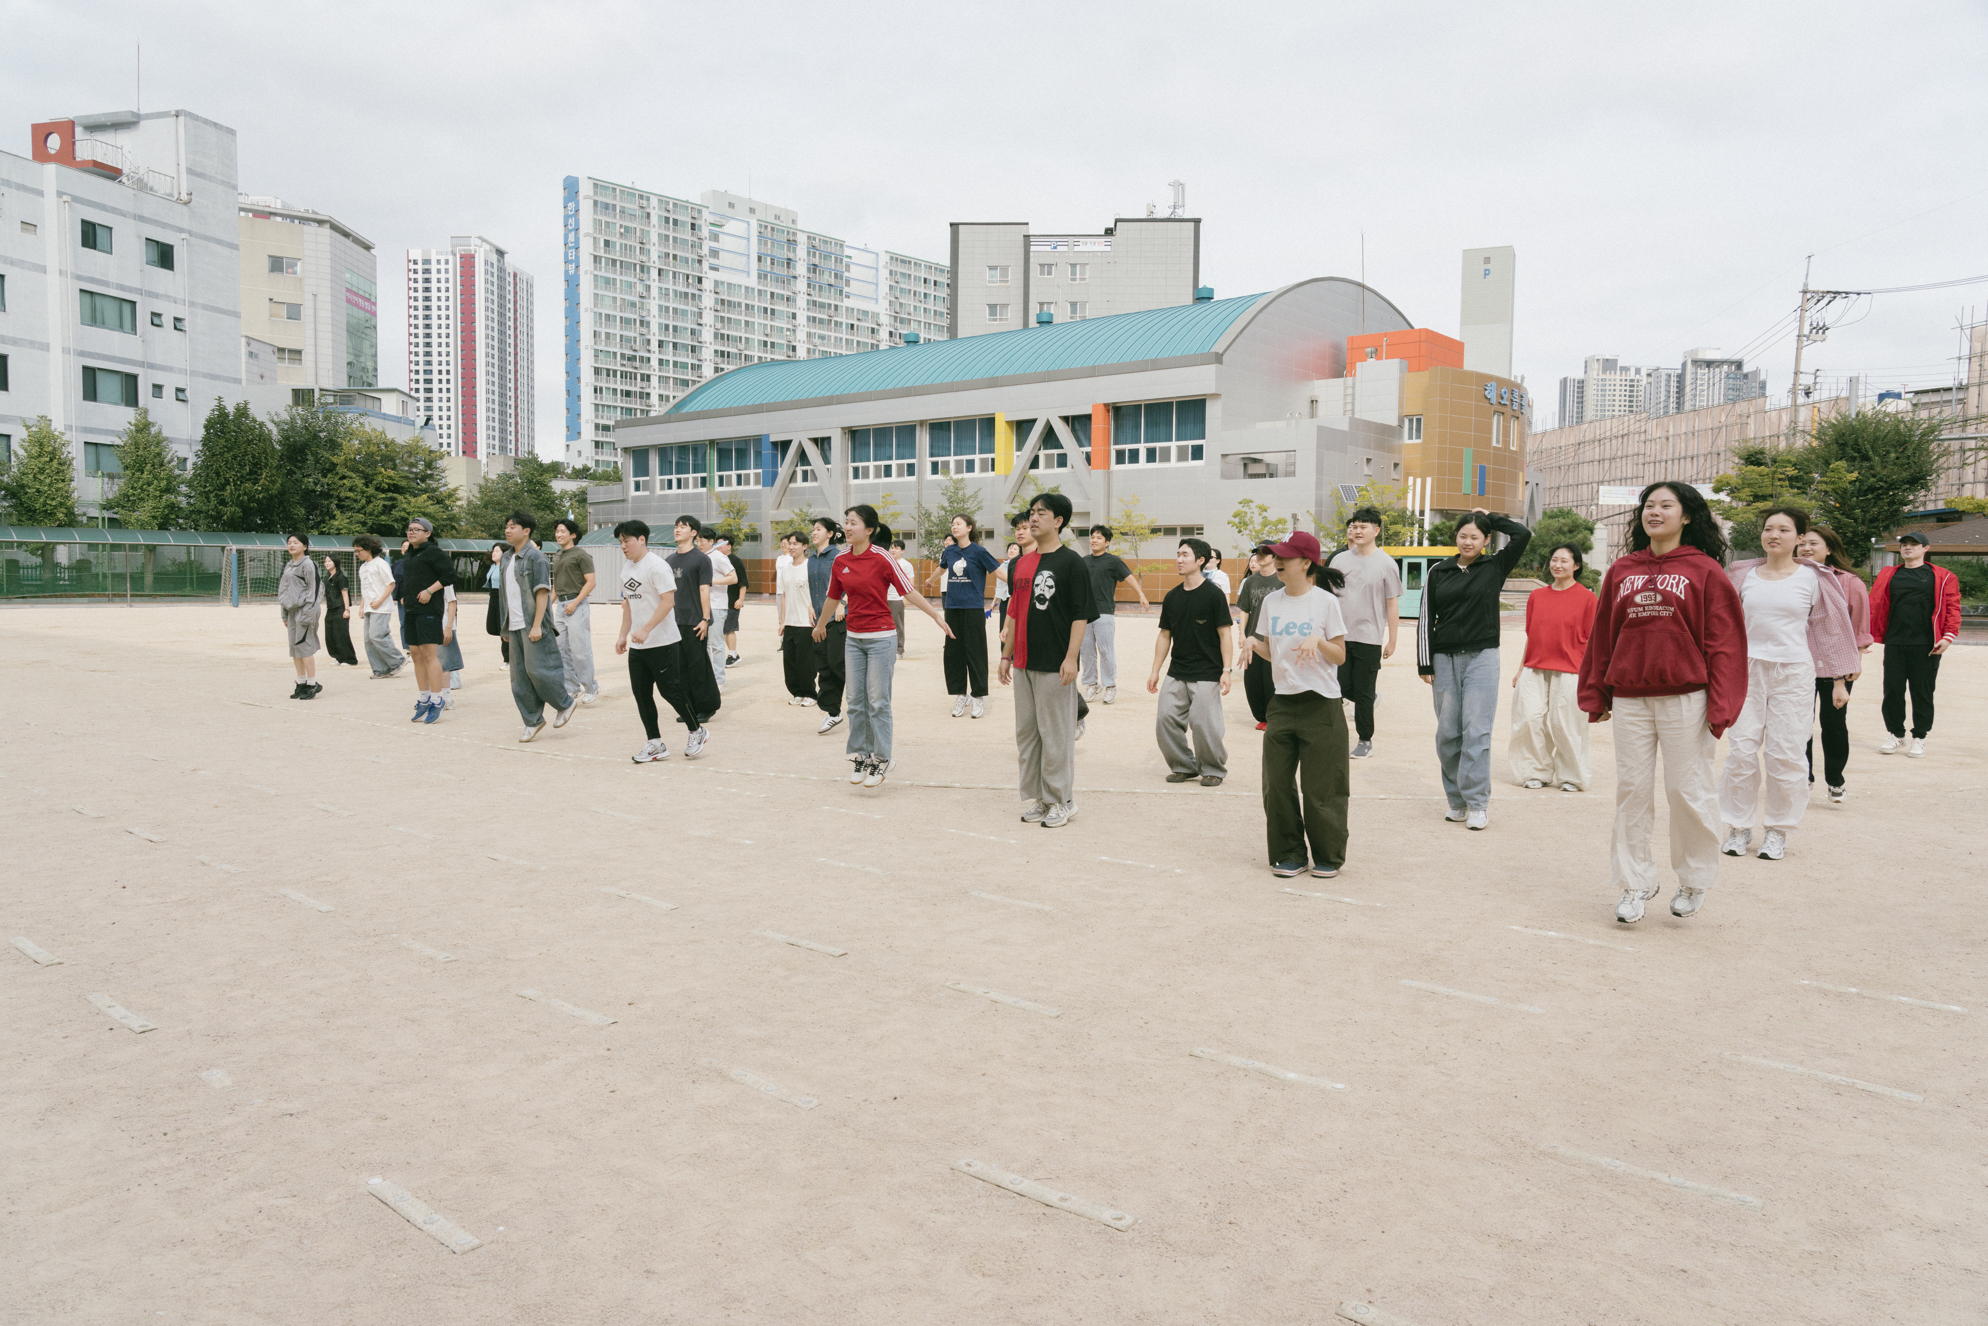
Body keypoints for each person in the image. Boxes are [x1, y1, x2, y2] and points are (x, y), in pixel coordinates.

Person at [1578, 482, 1747, 924]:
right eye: (1649, 506)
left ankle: (1693, 879)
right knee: (1631, 791)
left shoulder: (1705, 570)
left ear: (1686, 516)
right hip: (1631, 698)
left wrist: (1722, 703)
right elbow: (1603, 634)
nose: (1655, 512)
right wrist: (1596, 691)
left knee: (1687, 790)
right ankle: (1634, 883)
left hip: (1686, 697)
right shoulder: (1622, 570)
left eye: (1666, 506)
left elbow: (1725, 642)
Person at [1718, 508, 1860, 861]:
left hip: (1794, 672)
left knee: (1786, 753)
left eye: (1784, 530)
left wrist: (1839, 679)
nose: (1774, 535)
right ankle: (1738, 826)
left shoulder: (1815, 579)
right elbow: (1722, 626)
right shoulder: (1743, 576)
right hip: (1747, 670)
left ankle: (1777, 830)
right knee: (1741, 751)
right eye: (1769, 528)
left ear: (1799, 538)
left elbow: (1832, 631)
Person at [815, 508, 951, 787]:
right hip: (854, 638)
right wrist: (820, 625)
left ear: (869, 530)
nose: (847, 527)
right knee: (855, 701)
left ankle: (883, 758)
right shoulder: (841, 560)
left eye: (853, 523)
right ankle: (862, 755)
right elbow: (833, 596)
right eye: (846, 523)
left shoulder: (882, 557)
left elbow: (908, 590)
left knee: (878, 701)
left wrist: (936, 616)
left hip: (881, 638)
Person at [1416, 508, 1532, 829]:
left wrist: (1489, 517)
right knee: (1448, 734)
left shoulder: (1495, 565)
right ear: (1456, 537)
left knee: (1477, 730)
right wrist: (1424, 662)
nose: (1468, 542)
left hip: (1483, 657)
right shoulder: (1439, 571)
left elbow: (1522, 534)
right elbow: (1426, 617)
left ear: (1486, 540)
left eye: (1475, 537)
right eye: (1463, 536)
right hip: (1444, 658)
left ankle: (1477, 803)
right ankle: (1457, 800)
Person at [1251, 531, 1350, 878]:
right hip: (1281, 702)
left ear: (1306, 562)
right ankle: (1289, 852)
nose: (1277, 561)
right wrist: (1252, 643)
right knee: (1276, 784)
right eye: (1275, 555)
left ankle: (1328, 855)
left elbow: (1339, 656)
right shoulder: (1271, 602)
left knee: (1322, 787)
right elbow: (1273, 651)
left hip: (1321, 704)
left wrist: (1318, 641)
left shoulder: (1326, 603)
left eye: (1285, 556)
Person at [999, 493, 1098, 827]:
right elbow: (1015, 611)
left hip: (1055, 662)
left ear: (1058, 521)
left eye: (1041, 513)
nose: (1033, 518)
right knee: (1028, 734)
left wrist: (1071, 658)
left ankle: (1062, 800)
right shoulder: (1020, 564)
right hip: (1023, 662)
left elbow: (1080, 615)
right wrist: (1006, 655)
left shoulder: (1072, 563)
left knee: (1055, 734)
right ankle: (1040, 797)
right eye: (1032, 512)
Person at [613, 519, 705, 762]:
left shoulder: (657, 566)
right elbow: (628, 605)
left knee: (671, 691)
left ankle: (697, 730)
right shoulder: (626, 569)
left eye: (626, 541)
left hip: (663, 642)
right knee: (641, 694)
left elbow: (668, 602)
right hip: (638, 645)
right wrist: (623, 635)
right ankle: (655, 743)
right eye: (620, 542)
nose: (623, 546)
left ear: (642, 539)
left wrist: (646, 629)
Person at [1508, 544, 1597, 791]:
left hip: (1571, 669)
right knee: (1528, 720)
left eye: (1564, 561)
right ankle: (1535, 771)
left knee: (1566, 725)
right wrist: (1520, 668)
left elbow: (1593, 642)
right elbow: (1532, 636)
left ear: (1576, 565)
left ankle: (1572, 777)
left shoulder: (1588, 599)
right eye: (1554, 560)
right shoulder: (1537, 596)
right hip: (1534, 668)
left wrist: (1592, 678)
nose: (1557, 565)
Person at [1869, 530, 1960, 758]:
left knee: (1922, 692)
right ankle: (1896, 735)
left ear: (1925, 548)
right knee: (1892, 691)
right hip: (1895, 641)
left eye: (1914, 544)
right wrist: (1866, 633)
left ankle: (1919, 737)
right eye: (1904, 544)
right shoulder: (1889, 574)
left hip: (1926, 644)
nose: (1908, 547)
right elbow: (1875, 603)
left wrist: (1948, 636)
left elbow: (1952, 607)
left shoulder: (1943, 576)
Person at [1797, 524, 1872, 802]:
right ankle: (1803, 776)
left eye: (1813, 544)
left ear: (1829, 549)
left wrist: (1855, 662)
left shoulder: (1849, 582)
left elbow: (1859, 626)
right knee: (1798, 723)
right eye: (1802, 544)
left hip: (1835, 666)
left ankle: (1835, 779)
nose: (1806, 548)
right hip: (1798, 662)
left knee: (1834, 723)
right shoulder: (1791, 577)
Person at [1150, 537, 1233, 786]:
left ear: (1200, 560)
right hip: (1177, 671)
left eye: (1185, 555)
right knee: (1165, 719)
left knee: (1203, 723)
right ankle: (1184, 766)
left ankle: (1213, 769)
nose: (1179, 559)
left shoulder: (1213, 595)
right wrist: (1155, 670)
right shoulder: (1172, 597)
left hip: (1207, 672)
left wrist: (1226, 670)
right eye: (1178, 554)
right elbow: (1164, 635)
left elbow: (1225, 634)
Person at [1327, 507, 1403, 758]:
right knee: (1339, 687)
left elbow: (1392, 603)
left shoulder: (1386, 563)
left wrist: (1392, 640)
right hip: (1339, 636)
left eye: (1364, 527)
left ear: (1376, 530)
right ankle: (1370, 699)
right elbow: (1328, 598)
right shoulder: (1339, 560)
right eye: (1355, 526)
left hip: (1369, 637)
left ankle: (1365, 740)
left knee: (1362, 692)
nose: (1358, 531)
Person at [499, 509, 579, 742]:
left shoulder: (536, 557)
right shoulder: (506, 558)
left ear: (526, 531)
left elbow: (542, 592)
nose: (507, 530)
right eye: (506, 526)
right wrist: (506, 627)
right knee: (519, 678)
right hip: (514, 625)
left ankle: (565, 703)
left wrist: (536, 625)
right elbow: (506, 594)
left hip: (533, 623)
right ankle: (532, 721)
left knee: (539, 670)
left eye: (512, 526)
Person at [931, 516, 999, 717]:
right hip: (952, 607)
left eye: (958, 523)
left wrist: (1016, 582)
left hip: (973, 608)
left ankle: (978, 696)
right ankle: (961, 694)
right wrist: (931, 579)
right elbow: (943, 567)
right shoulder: (950, 551)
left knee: (975, 652)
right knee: (954, 653)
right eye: (953, 524)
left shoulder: (978, 551)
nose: (954, 526)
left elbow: (997, 571)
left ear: (969, 528)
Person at [1080, 525, 1150, 704]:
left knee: (1105, 650)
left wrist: (1141, 594)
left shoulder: (1113, 561)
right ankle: (1091, 684)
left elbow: (1129, 577)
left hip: (1104, 612)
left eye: (1099, 537)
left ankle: (1110, 685)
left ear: (1107, 542)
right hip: (1084, 613)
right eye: (1092, 537)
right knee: (1086, 651)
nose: (1094, 540)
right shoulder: (1083, 561)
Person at [396, 517, 455, 724]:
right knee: (415, 654)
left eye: (416, 529)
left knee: (430, 654)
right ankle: (423, 697)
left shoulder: (434, 552)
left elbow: (449, 576)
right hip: (411, 609)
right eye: (409, 529)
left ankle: (437, 700)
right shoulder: (409, 554)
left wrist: (430, 590)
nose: (411, 532)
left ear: (427, 533)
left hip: (429, 610)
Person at [667, 517, 724, 726]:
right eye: (676, 526)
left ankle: (707, 706)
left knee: (698, 666)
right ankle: (689, 707)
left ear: (693, 533)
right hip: (674, 621)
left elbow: (704, 590)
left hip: (695, 621)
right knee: (680, 668)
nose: (677, 530)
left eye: (683, 527)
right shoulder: (669, 560)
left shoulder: (701, 559)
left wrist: (705, 619)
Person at [550, 517, 600, 706]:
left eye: (562, 531)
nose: (558, 534)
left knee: (580, 650)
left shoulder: (581, 555)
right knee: (561, 649)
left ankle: (591, 687)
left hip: (577, 605)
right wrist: (548, 605)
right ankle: (572, 687)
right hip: (561, 606)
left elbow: (591, 582)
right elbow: (557, 585)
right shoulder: (557, 556)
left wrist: (576, 602)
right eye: (557, 531)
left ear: (572, 535)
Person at [805, 517, 848, 733]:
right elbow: (814, 588)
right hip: (819, 621)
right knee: (823, 665)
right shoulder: (811, 559)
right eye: (813, 529)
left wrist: (843, 602)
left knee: (837, 665)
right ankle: (833, 712)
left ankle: (860, 707)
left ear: (830, 534)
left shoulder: (839, 556)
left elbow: (851, 583)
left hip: (838, 619)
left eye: (818, 529)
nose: (814, 533)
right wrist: (811, 606)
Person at [1236, 549, 1283, 731]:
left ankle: (1273, 717)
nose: (1259, 557)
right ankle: (1261, 716)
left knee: (1270, 679)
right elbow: (1245, 609)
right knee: (1252, 679)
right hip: (1253, 639)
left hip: (1275, 640)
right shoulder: (1250, 581)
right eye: (1257, 554)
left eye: (1264, 553)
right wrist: (1242, 633)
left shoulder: (1282, 579)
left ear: (1274, 557)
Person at [774, 531, 819, 707]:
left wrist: (812, 607)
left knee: (805, 661)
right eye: (789, 543)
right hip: (790, 621)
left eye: (795, 544)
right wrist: (782, 622)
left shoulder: (810, 566)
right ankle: (797, 692)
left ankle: (810, 694)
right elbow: (784, 595)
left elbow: (818, 592)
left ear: (804, 546)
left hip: (806, 622)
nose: (791, 547)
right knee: (790, 661)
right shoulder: (785, 569)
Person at [353, 534, 407, 679]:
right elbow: (365, 589)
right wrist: (362, 607)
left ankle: (397, 660)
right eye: (355, 551)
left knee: (377, 636)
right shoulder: (362, 567)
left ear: (368, 549)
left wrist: (379, 601)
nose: (357, 554)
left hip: (381, 607)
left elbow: (391, 584)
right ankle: (380, 669)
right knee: (368, 640)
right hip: (369, 608)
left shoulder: (380, 564)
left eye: (359, 550)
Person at [278, 533, 323, 699]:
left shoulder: (308, 564)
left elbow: (315, 590)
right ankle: (301, 681)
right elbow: (284, 590)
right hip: (291, 612)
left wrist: (308, 613)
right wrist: (284, 613)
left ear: (305, 546)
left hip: (305, 610)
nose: (291, 545)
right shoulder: (289, 565)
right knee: (295, 648)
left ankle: (312, 683)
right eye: (289, 542)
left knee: (304, 647)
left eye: (295, 542)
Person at [694, 526, 737, 689]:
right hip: (700, 607)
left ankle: (719, 679)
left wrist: (710, 581)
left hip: (717, 606)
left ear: (711, 541)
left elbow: (733, 578)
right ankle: (707, 678)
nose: (699, 544)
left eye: (702, 541)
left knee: (716, 644)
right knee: (702, 645)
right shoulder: (697, 556)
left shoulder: (719, 557)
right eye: (697, 541)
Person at [716, 535, 750, 666]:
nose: (717, 547)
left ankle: (733, 655)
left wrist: (740, 599)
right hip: (720, 601)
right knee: (724, 629)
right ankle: (733, 653)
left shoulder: (735, 561)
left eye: (721, 544)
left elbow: (743, 583)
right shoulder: (717, 560)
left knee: (729, 629)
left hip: (732, 601)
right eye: (716, 545)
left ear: (729, 546)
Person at [321, 555, 358, 667]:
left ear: (335, 563)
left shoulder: (341, 577)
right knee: (330, 635)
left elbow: (345, 593)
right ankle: (339, 657)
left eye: (329, 561)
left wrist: (346, 610)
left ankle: (350, 659)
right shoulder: (327, 578)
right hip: (330, 609)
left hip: (340, 608)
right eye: (325, 561)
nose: (326, 563)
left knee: (341, 634)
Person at [437, 586, 464, 705]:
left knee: (445, 664)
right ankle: (432, 696)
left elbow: (452, 602)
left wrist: (449, 626)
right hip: (430, 625)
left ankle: (447, 697)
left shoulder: (445, 582)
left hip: (444, 625)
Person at [484, 543, 509, 664]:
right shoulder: (493, 566)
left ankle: (508, 660)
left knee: (504, 630)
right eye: (493, 551)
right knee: (493, 627)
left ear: (504, 554)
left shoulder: (507, 566)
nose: (493, 553)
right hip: (493, 598)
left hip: (503, 597)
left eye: (497, 551)